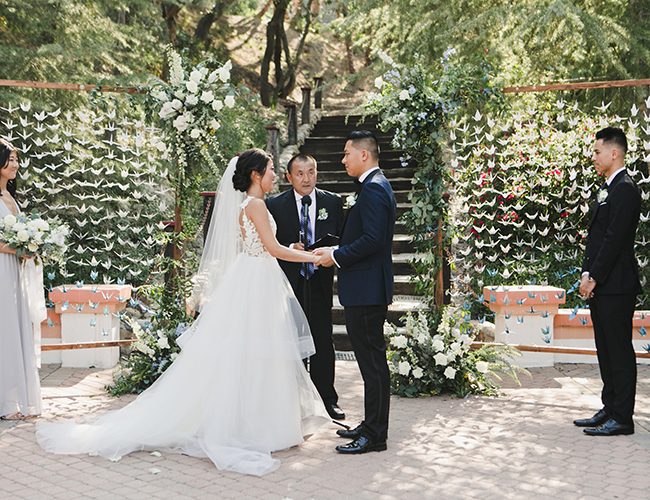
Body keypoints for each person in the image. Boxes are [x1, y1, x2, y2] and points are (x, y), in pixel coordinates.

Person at [36, 149, 330, 476]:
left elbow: (265, 245)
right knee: (257, 352)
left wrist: (297, 251)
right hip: (259, 279)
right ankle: (258, 426)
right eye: (271, 169)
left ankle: (256, 422)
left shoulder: (248, 205)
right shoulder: (257, 204)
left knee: (251, 353)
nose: (276, 174)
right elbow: (273, 249)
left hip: (254, 277)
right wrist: (315, 257)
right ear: (255, 175)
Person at [315, 131, 396, 454]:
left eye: (347, 153)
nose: (343, 159)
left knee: (373, 365)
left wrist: (335, 255)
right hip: (364, 288)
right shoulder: (374, 186)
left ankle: (376, 435)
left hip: (367, 290)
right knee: (369, 363)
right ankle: (371, 424)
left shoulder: (374, 189)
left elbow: (374, 240)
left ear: (365, 155)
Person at [266, 154, 345, 420]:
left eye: (311, 172)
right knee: (290, 340)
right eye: (299, 173)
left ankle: (327, 399)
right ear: (289, 178)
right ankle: (294, 399)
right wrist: (290, 248)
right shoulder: (274, 204)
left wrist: (329, 249)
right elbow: (269, 243)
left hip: (320, 279)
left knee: (323, 339)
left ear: (317, 173)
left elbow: (342, 239)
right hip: (288, 282)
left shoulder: (332, 202)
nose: (306, 178)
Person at [575, 127, 642, 436]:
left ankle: (623, 418)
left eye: (597, 151)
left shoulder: (626, 188)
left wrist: (596, 276)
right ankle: (610, 407)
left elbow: (615, 240)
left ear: (615, 153)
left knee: (619, 350)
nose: (594, 157)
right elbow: (597, 239)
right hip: (602, 284)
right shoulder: (608, 189)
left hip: (617, 285)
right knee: (605, 348)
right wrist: (586, 274)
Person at [0, 138, 45, 421]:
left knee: (16, 328)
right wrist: (20, 248)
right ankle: (6, 403)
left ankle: (15, 399)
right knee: (4, 330)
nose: (15, 164)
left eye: (17, 159)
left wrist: (31, 247)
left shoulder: (11, 198)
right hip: (2, 269)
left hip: (14, 270)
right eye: (10, 159)